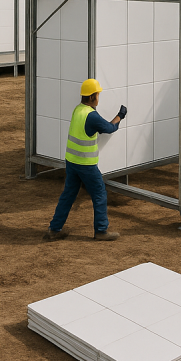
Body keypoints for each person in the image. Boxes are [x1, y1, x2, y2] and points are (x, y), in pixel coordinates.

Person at [45, 79, 125, 242]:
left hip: (72, 162)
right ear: (92, 97)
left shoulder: (78, 110)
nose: (98, 98)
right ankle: (101, 230)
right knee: (99, 194)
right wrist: (120, 116)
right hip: (86, 165)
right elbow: (109, 128)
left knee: (68, 195)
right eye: (98, 95)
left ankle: (54, 229)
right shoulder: (91, 116)